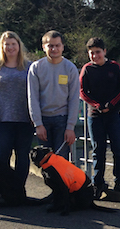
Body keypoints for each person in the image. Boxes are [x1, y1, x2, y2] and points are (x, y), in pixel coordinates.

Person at [79, 37, 120, 195]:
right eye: (92, 53)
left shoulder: (114, 67)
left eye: (98, 52)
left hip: (114, 114)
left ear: (104, 52)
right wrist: (97, 105)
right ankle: (97, 182)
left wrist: (111, 104)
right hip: (95, 116)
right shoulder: (87, 69)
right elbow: (82, 91)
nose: (95, 56)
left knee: (118, 149)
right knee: (98, 150)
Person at [0, 31, 33, 187]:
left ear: (19, 46)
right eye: (7, 44)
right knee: (2, 156)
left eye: (13, 44)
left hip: (25, 120)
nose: (11, 47)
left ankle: (18, 190)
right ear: (2, 47)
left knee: (22, 156)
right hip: (3, 120)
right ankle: (2, 189)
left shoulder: (30, 67)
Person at [27, 30, 80, 159]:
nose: (54, 49)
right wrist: (38, 124)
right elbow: (32, 97)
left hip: (62, 119)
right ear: (44, 47)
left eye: (57, 45)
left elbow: (74, 98)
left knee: (61, 161)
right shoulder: (36, 68)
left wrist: (70, 127)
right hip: (43, 120)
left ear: (62, 47)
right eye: (50, 45)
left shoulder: (70, 68)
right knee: (46, 161)